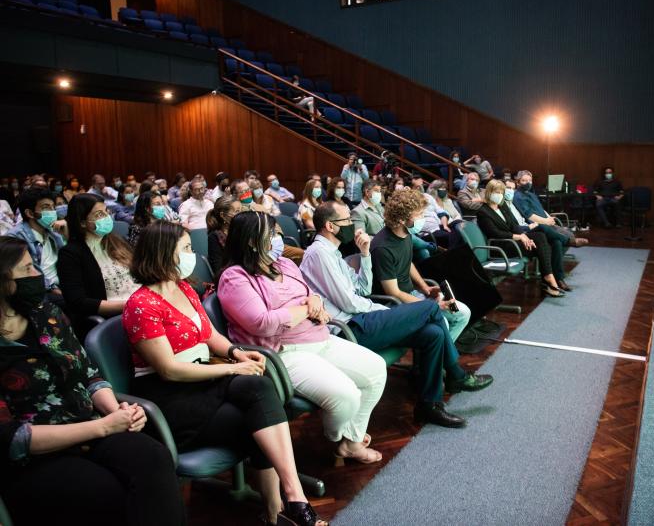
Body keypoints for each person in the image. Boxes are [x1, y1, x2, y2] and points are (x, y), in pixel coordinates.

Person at [123, 222, 326, 526]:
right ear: (163, 254)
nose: (193, 254)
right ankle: (276, 510)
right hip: (171, 395)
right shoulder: (141, 305)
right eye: (187, 249)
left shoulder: (183, 288)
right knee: (257, 420)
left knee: (259, 388)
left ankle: (291, 497)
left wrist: (235, 353)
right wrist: (234, 367)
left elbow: (209, 335)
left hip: (205, 376)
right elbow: (168, 369)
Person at [0, 236, 184, 526]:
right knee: (106, 493)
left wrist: (116, 413)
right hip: (36, 458)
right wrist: (102, 427)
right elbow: (12, 439)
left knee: (153, 458)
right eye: (26, 270)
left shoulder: (46, 315)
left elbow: (89, 375)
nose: (38, 275)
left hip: (93, 425)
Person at [301, 202, 493, 427]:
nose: (352, 225)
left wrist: (364, 255)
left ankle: (429, 406)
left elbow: (362, 289)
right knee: (431, 308)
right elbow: (350, 303)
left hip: (363, 317)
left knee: (433, 333)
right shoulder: (319, 254)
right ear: (330, 226)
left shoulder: (333, 252)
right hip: (349, 327)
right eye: (347, 221)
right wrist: (382, 310)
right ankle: (456, 375)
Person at [218, 212, 386, 465]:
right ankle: (334, 436)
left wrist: (314, 301)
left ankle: (352, 442)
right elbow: (263, 323)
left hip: (319, 337)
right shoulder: (234, 277)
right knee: (348, 397)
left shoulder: (284, 264)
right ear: (253, 241)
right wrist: (306, 309)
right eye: (272, 234)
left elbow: (310, 293)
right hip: (284, 352)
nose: (278, 238)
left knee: (376, 370)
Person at [370, 189, 472, 343]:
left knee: (462, 313)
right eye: (419, 215)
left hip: (412, 295)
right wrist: (431, 306)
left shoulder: (406, 234)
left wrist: (425, 288)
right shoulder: (382, 247)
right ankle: (439, 360)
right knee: (442, 323)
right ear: (403, 219)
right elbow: (394, 292)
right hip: (394, 304)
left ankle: (442, 358)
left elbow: (407, 262)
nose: (422, 218)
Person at [56, 193, 139, 336]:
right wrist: (130, 305)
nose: (107, 217)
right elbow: (78, 302)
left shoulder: (116, 241)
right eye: (99, 214)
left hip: (141, 306)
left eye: (107, 211)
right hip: (117, 317)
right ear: (82, 222)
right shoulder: (70, 254)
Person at [476, 180, 567, 296]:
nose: (499, 195)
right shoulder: (483, 212)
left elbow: (513, 225)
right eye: (496, 192)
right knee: (542, 245)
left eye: (501, 192)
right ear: (489, 192)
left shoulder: (502, 206)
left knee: (540, 236)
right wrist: (519, 237)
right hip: (502, 245)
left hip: (513, 241)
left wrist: (524, 235)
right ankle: (549, 279)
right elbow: (495, 233)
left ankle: (549, 277)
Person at [7, 186, 66, 297]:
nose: (52, 212)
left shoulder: (54, 233)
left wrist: (68, 235)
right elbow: (28, 278)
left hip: (62, 286)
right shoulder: (16, 238)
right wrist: (62, 294)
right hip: (42, 292)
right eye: (46, 207)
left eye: (53, 207)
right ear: (30, 213)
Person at [206, 195, 242, 275]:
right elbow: (218, 269)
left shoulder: (242, 230)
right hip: (232, 277)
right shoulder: (214, 237)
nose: (241, 214)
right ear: (223, 216)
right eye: (237, 211)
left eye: (241, 210)